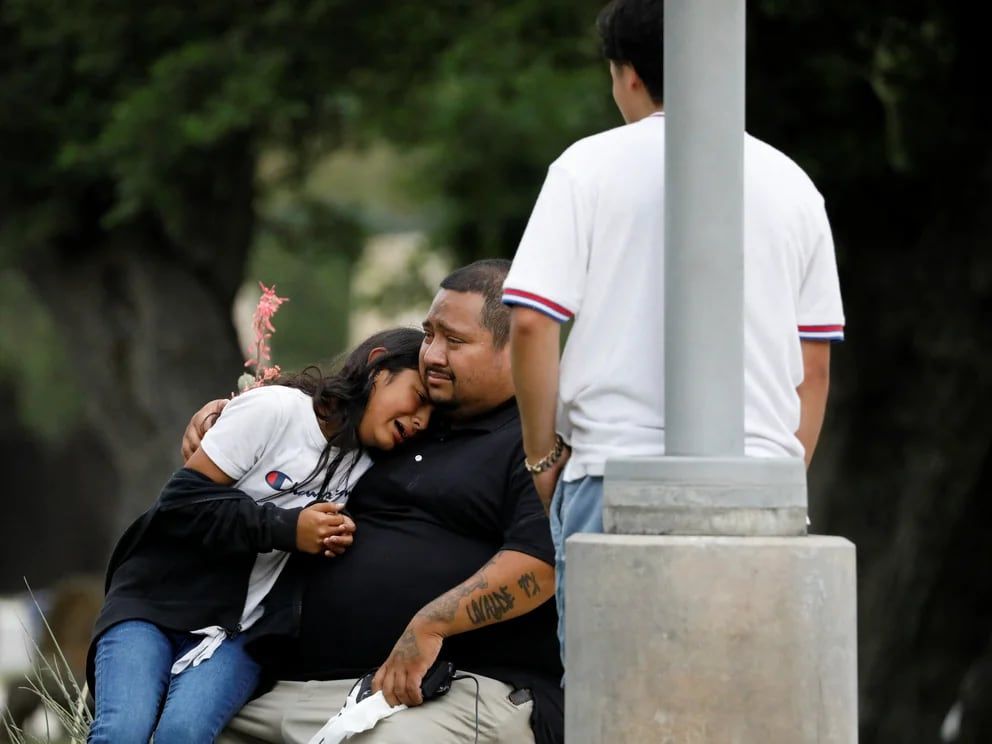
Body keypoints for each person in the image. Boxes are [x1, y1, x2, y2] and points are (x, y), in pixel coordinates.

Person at [503, 0, 846, 661]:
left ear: (627, 74)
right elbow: (816, 366)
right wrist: (782, 471)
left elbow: (529, 322)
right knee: (746, 708)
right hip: (762, 486)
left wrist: (543, 459)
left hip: (611, 475)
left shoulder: (587, 166)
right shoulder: (792, 183)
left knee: (616, 709)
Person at [184, 260, 563, 744]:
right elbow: (311, 413)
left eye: (455, 340)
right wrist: (222, 417)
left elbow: (539, 566)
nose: (432, 355)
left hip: (453, 690)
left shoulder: (539, 441)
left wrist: (430, 625)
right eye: (429, 335)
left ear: (517, 349)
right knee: (173, 729)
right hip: (306, 684)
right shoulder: (409, 419)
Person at [86, 328, 431, 744]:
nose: (421, 420)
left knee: (183, 733)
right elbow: (181, 503)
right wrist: (287, 528)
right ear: (379, 368)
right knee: (123, 732)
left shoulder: (370, 468)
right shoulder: (276, 410)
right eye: (420, 398)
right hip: (152, 606)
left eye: (432, 416)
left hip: (241, 635)